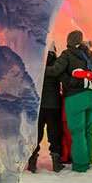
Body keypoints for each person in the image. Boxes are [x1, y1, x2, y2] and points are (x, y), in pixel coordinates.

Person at [45, 30, 92, 172]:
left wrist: (38, 68)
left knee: (77, 133)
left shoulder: (67, 54)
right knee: (88, 131)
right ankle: (90, 160)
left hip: (76, 98)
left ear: (69, 41)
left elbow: (54, 71)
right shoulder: (89, 53)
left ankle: (81, 165)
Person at [27, 44, 65, 173]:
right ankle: (56, 162)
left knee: (36, 134)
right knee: (54, 134)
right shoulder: (58, 63)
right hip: (54, 105)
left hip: (38, 105)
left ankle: (32, 161)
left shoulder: (37, 62)